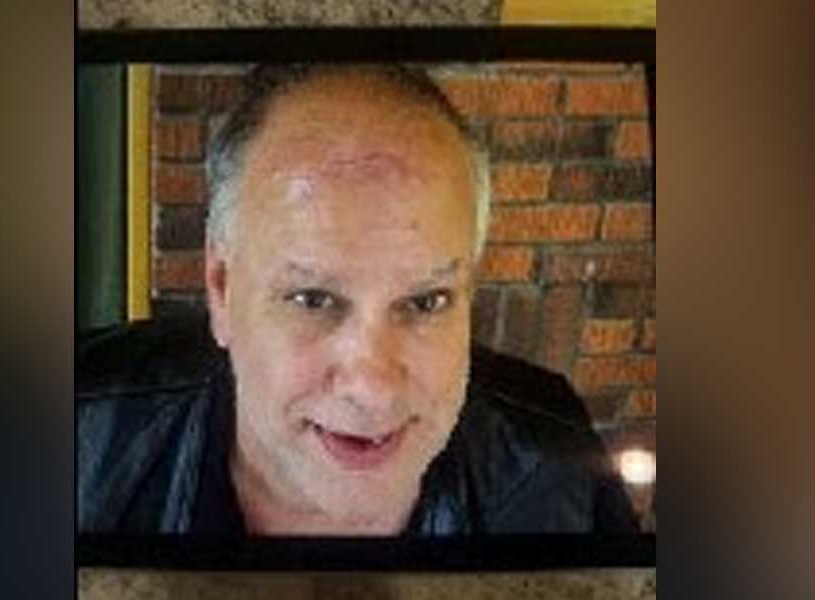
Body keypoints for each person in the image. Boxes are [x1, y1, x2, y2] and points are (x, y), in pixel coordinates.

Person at [77, 64, 638, 536]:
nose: (372, 390)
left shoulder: (557, 470)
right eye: (312, 299)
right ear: (221, 289)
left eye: (426, 301)